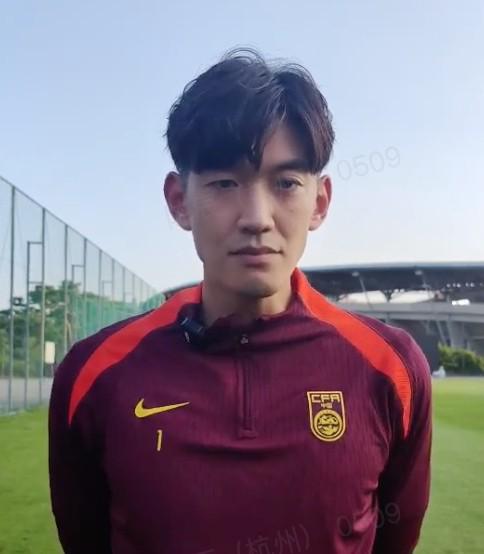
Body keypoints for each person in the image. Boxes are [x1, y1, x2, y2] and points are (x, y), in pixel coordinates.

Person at [48, 47, 432, 554]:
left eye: (286, 183)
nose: (256, 217)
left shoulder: (391, 368)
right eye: (225, 183)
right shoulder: (95, 375)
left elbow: (395, 538)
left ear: (320, 202)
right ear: (179, 201)